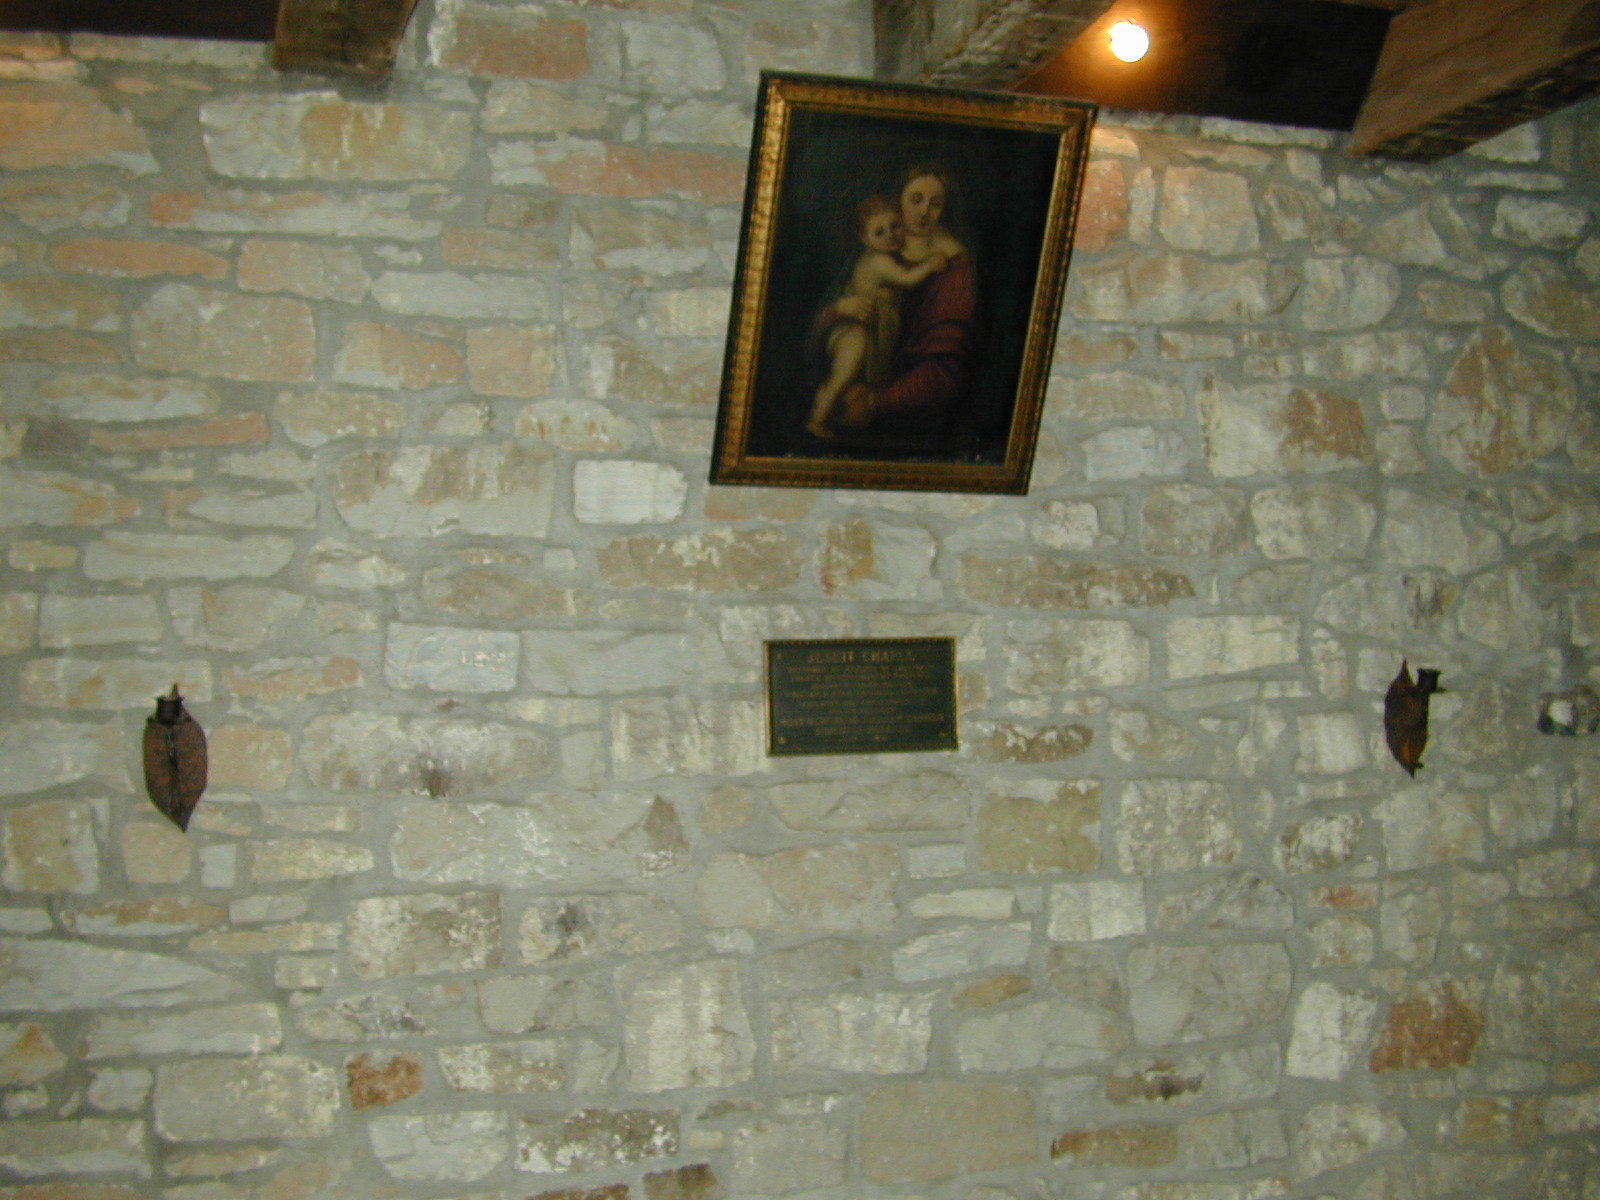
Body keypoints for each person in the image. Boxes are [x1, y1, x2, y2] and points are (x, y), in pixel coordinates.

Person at [834, 165, 976, 436]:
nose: (924, 212)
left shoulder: (954, 268)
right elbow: (825, 320)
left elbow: (945, 372)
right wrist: (837, 311)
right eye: (916, 200)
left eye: (935, 204)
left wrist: (875, 402)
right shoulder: (879, 243)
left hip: (909, 404)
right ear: (898, 199)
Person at [806, 194, 948, 438]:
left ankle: (836, 413)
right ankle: (816, 419)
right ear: (864, 238)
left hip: (873, 329)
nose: (890, 235)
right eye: (879, 232)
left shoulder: (886, 256)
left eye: (895, 226)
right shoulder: (879, 261)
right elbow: (907, 278)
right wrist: (931, 264)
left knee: (856, 380)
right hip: (854, 331)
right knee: (843, 374)